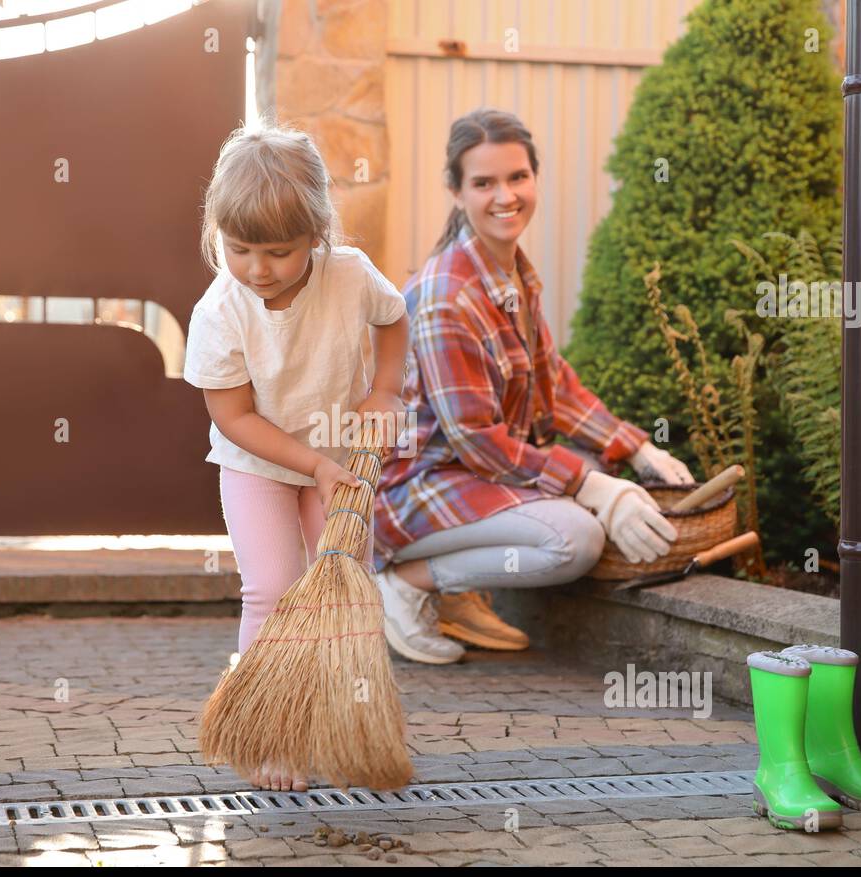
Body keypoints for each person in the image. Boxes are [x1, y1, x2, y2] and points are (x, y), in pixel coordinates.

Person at [372, 108, 695, 665]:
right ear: (456, 191)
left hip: (472, 475)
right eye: (484, 183)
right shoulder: (448, 295)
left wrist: (635, 447)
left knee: (594, 478)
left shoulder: (513, 274)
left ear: (535, 178)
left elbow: (556, 384)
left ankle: (454, 593)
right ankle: (408, 583)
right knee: (576, 537)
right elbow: (477, 442)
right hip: (415, 490)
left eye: (517, 177)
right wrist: (588, 487)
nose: (506, 196)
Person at [182, 122, 409, 791]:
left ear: (318, 233)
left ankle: (346, 726)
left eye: (278, 251)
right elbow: (233, 416)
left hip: (336, 457)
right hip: (258, 468)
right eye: (240, 247)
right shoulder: (220, 311)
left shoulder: (349, 276)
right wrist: (311, 466)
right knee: (275, 589)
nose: (257, 267)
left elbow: (393, 319)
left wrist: (385, 390)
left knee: (347, 590)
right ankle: (266, 734)